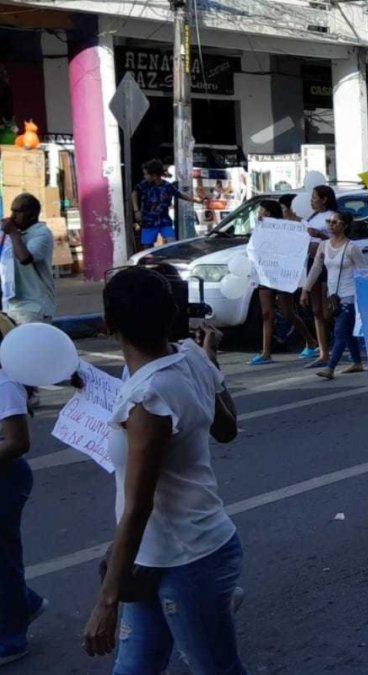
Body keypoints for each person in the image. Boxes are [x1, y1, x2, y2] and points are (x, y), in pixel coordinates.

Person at [83, 267, 246, 673]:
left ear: (108, 325)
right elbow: (227, 429)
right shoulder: (190, 357)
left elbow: (139, 505)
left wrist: (107, 601)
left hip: (188, 560)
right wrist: (211, 364)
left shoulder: (148, 399)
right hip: (160, 555)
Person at [0, 315, 42, 667]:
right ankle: (25, 602)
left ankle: (11, 639)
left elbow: (17, 442)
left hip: (6, 477)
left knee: (3, 560)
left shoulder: (3, 382)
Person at [248, 199, 319, 365]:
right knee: (267, 314)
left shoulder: (284, 227)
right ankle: (265, 352)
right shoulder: (260, 227)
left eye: (262, 211)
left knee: (287, 312)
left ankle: (310, 340)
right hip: (266, 273)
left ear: (269, 212)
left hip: (281, 274)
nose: (259, 213)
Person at [302, 210, 366, 379]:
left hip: (350, 295)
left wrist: (365, 296)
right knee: (346, 330)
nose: (331, 224)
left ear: (345, 226)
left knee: (339, 331)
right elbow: (316, 268)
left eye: (335, 222)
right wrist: (306, 289)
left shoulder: (351, 248)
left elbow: (363, 272)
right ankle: (357, 362)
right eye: (329, 221)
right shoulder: (324, 245)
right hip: (333, 296)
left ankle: (330, 367)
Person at [1, 194, 55, 326]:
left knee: (31, 345)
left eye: (18, 212)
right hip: (10, 304)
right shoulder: (11, 235)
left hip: (33, 307)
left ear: (32, 215)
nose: (13, 216)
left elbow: (25, 258)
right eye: (12, 211)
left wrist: (13, 233)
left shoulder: (42, 233)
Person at [131, 159, 203, 250]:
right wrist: (136, 210)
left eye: (146, 174)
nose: (144, 176)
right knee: (147, 247)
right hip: (148, 221)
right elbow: (134, 192)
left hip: (164, 221)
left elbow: (179, 195)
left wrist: (196, 200)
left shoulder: (168, 186)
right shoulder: (144, 184)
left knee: (172, 244)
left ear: (154, 176)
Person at [302, 185, 338, 369]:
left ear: (324, 199)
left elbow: (337, 239)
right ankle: (324, 352)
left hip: (327, 264)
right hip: (312, 262)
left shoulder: (332, 216)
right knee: (316, 311)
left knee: (326, 310)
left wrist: (320, 234)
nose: (312, 200)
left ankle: (348, 336)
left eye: (315, 197)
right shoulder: (312, 217)